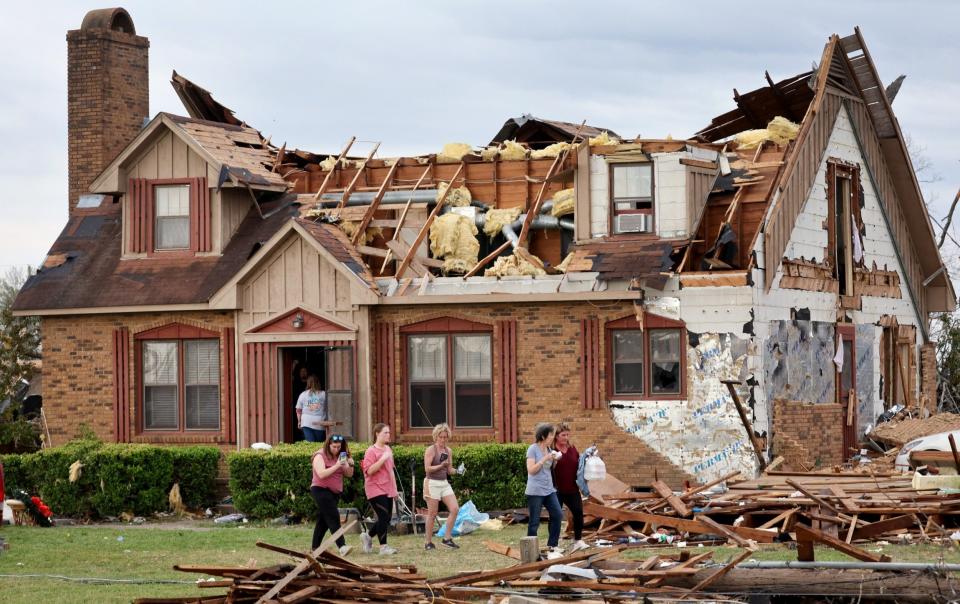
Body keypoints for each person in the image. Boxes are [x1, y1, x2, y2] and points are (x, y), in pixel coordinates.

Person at [310, 434, 354, 556]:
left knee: (323, 521)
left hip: (335, 493)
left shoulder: (342, 455)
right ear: (328, 445)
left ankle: (315, 548)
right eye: (334, 447)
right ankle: (342, 546)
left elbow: (349, 474)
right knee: (333, 516)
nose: (336, 449)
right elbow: (321, 474)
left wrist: (350, 464)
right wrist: (337, 465)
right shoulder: (320, 456)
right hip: (320, 489)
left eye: (339, 447)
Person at [526, 422, 563, 554]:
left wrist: (555, 461)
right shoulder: (533, 449)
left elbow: (548, 470)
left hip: (549, 489)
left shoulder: (549, 450)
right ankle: (531, 549)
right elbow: (531, 470)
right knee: (534, 521)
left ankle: (552, 545)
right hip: (535, 490)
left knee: (558, 514)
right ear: (543, 436)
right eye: (550, 435)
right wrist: (545, 459)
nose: (553, 437)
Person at [361, 423, 398, 555]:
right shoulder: (371, 451)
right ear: (377, 434)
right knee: (382, 516)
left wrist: (395, 490)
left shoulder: (388, 449)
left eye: (389, 432)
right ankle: (383, 547)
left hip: (387, 488)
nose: (388, 435)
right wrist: (382, 458)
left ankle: (368, 536)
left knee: (387, 518)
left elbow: (391, 471)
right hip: (374, 488)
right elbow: (369, 471)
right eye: (385, 433)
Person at [423, 423, 460, 550]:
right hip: (432, 482)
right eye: (441, 437)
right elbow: (427, 469)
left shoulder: (448, 451)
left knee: (455, 509)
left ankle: (447, 538)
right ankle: (428, 542)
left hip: (444, 483)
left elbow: (449, 470)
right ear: (436, 437)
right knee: (432, 513)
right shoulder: (431, 450)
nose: (443, 440)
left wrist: (459, 471)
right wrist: (440, 465)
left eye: (445, 437)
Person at [552, 423, 587, 551]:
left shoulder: (572, 448)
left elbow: (580, 464)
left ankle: (578, 540)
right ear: (556, 436)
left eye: (567, 435)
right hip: (556, 490)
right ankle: (553, 545)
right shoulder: (552, 450)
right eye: (563, 435)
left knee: (578, 513)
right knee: (555, 516)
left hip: (572, 488)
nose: (566, 438)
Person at [296, 375, 329, 443]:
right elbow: (330, 407)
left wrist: (299, 421)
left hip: (306, 422)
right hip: (319, 422)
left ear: (308, 383)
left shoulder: (303, 394)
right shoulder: (323, 394)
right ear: (318, 383)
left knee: (310, 444)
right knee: (319, 444)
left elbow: (298, 410)